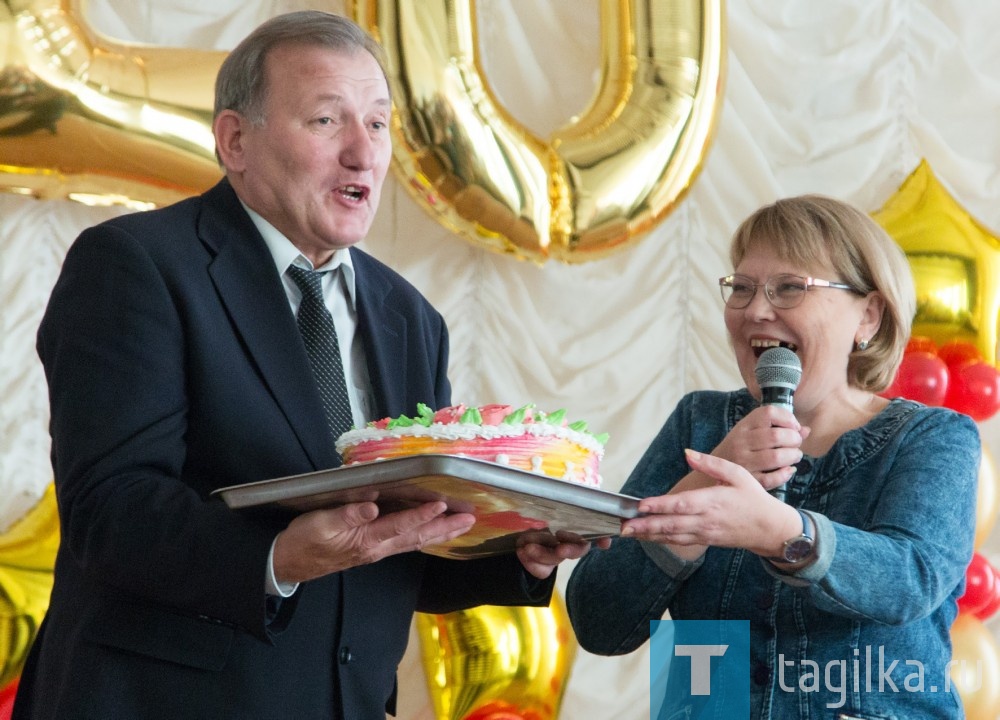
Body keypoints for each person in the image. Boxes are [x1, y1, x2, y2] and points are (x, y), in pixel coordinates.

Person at [14, 11, 596, 720]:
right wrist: (279, 558)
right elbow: (111, 512)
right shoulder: (138, 266)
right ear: (235, 140)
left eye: (378, 125)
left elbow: (389, 553)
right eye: (327, 121)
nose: (363, 153)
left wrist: (519, 548)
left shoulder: (409, 316)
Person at [566, 195, 980, 718]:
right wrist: (699, 490)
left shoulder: (933, 436)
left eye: (790, 288)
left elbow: (909, 580)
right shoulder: (701, 423)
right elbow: (598, 621)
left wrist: (781, 532)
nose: (757, 309)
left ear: (868, 317)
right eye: (741, 288)